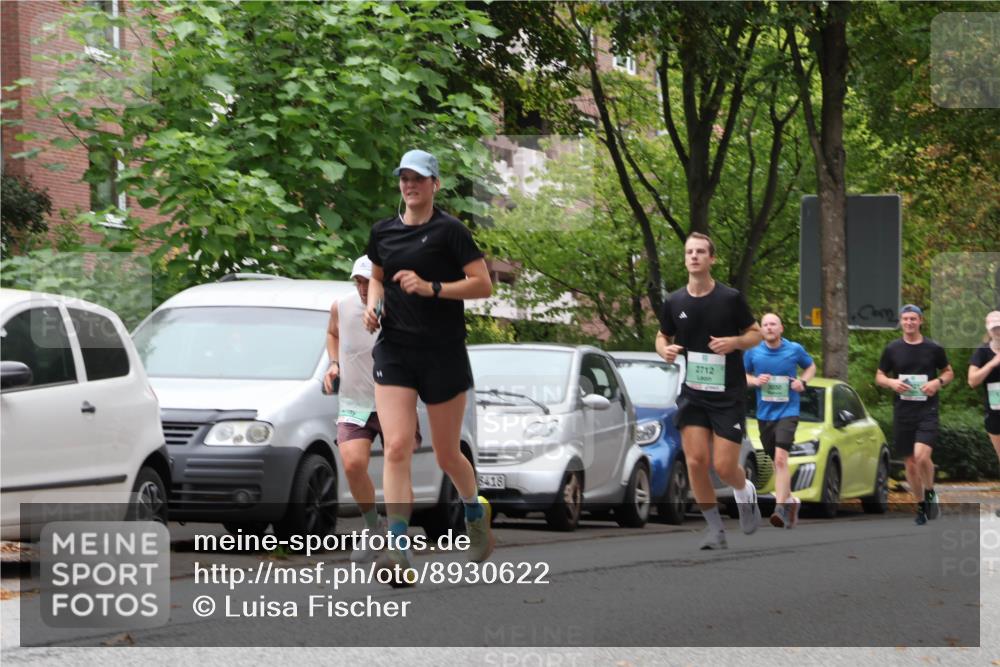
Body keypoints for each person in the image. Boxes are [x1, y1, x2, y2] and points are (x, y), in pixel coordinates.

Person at [363, 149, 495, 582]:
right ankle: (398, 549)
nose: (409, 185)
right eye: (404, 178)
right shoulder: (383, 231)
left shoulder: (450, 231)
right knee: (397, 446)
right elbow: (377, 277)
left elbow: (483, 285)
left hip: (442, 352)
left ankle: (474, 510)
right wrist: (373, 307)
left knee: (446, 453)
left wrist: (431, 287)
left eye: (418, 178)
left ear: (434, 184)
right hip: (395, 350)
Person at [656, 232, 763, 550]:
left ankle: (745, 491)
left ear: (711, 259)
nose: (694, 256)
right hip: (694, 393)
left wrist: (735, 342)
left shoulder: (730, 298)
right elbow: (662, 335)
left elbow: (755, 334)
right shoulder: (675, 301)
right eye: (689, 252)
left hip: (728, 393)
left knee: (724, 467)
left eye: (701, 251)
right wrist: (664, 350)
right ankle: (715, 530)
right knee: (695, 461)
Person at [322, 255, 420, 563]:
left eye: (368, 282)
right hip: (355, 400)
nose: (363, 288)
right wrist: (334, 363)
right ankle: (372, 526)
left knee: (399, 469)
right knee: (352, 464)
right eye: (358, 282)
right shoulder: (341, 306)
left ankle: (399, 539)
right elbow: (333, 333)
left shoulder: (401, 308)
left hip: (394, 400)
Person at [875, 304, 954, 525]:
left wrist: (937, 383)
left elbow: (949, 372)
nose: (909, 322)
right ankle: (921, 505)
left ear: (920, 321)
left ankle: (930, 492)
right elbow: (879, 376)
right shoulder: (892, 349)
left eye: (913, 319)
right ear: (901, 322)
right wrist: (891, 382)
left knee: (921, 456)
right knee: (910, 463)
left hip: (927, 410)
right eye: (906, 319)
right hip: (903, 412)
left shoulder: (933, 348)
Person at [744, 313, 817, 529]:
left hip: (788, 411)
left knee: (781, 459)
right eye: (765, 324)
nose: (769, 327)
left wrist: (802, 382)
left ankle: (780, 509)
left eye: (773, 324)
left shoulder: (794, 349)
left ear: (781, 328)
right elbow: (742, 376)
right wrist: (755, 380)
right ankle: (791, 501)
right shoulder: (753, 352)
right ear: (761, 330)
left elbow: (811, 367)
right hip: (765, 415)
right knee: (776, 461)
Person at [967, 311, 1000, 484]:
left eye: (999, 327)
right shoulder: (982, 352)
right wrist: (992, 364)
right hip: (995, 412)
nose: (997, 331)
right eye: (994, 328)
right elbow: (972, 381)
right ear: (988, 330)